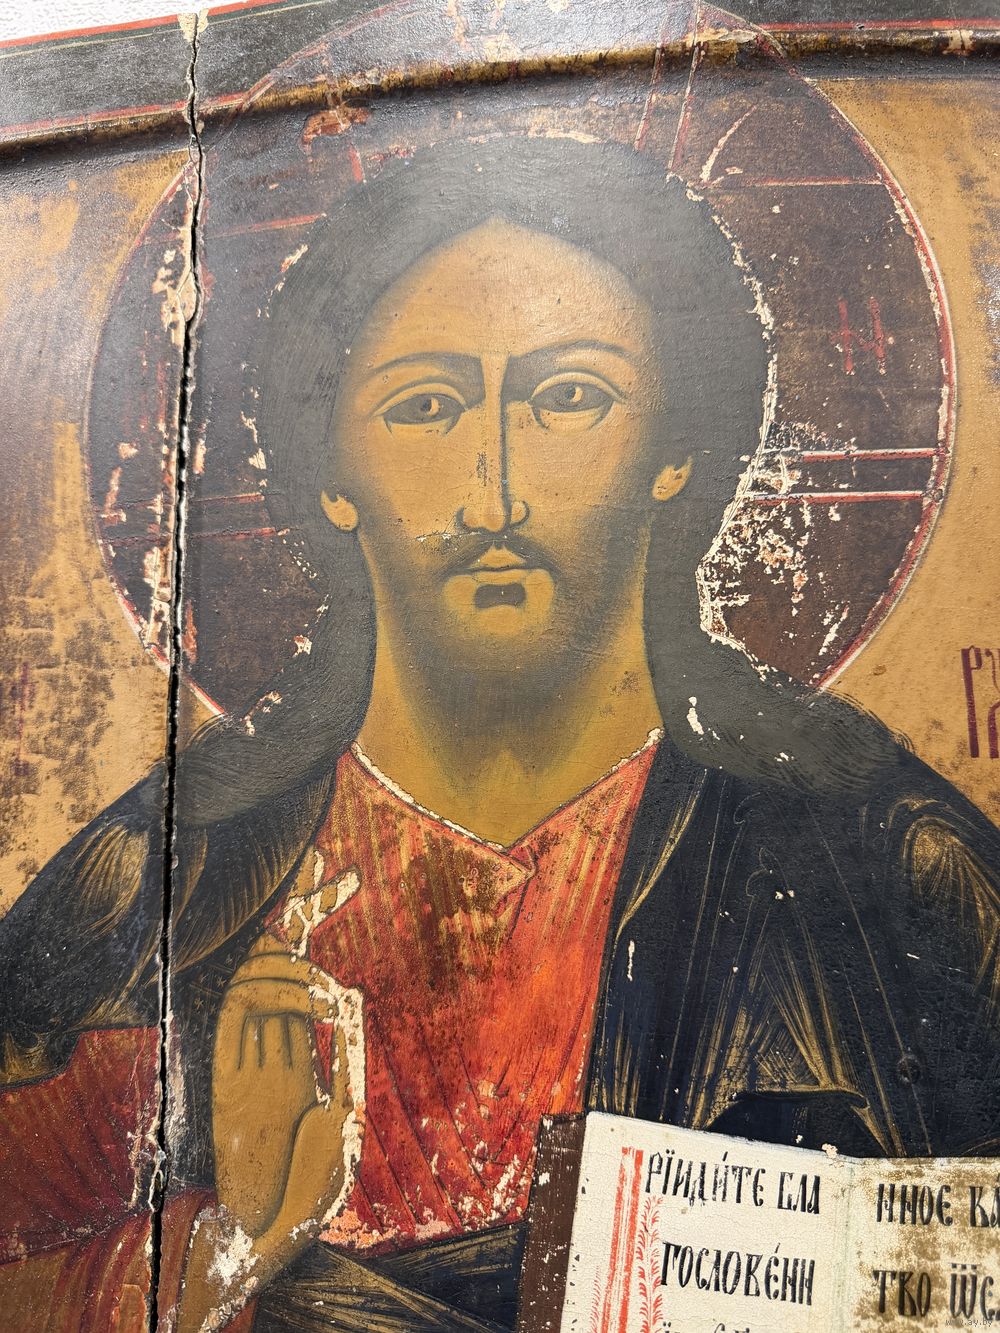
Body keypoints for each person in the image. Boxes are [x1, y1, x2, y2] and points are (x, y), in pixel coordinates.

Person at [1, 135, 998, 1332]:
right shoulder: (160, 888)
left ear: (677, 448)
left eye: (568, 397)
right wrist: (228, 1247)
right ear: (330, 471)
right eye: (423, 407)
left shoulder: (887, 869)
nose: (495, 494)